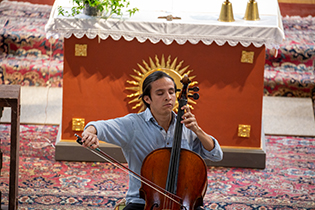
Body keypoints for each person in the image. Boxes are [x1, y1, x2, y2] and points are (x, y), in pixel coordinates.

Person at [81, 71, 223, 210]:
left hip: (183, 203)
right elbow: (99, 126)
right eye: (160, 93)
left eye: (172, 92)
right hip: (143, 202)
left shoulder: (187, 125)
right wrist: (89, 133)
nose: (168, 97)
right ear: (147, 99)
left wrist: (198, 130)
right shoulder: (133, 125)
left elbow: (216, 155)